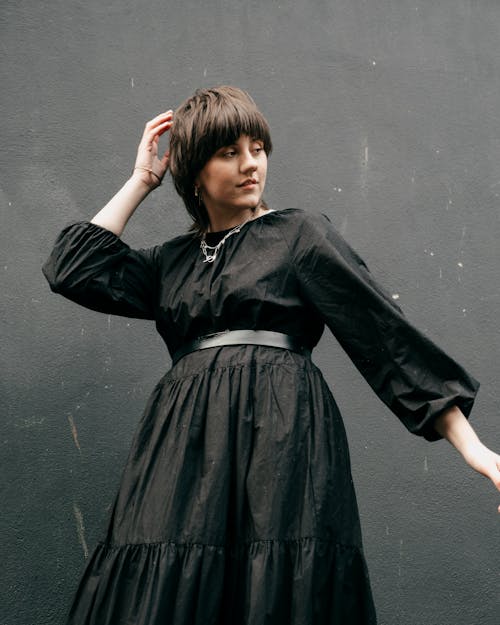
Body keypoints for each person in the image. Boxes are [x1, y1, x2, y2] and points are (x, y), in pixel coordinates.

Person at [42, 86, 500, 625]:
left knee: (281, 583)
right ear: (193, 171)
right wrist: (142, 181)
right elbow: (73, 267)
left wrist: (476, 451)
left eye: (257, 147)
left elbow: (386, 337)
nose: (250, 164)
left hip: (282, 442)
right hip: (181, 451)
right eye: (228, 152)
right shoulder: (170, 262)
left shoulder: (299, 235)